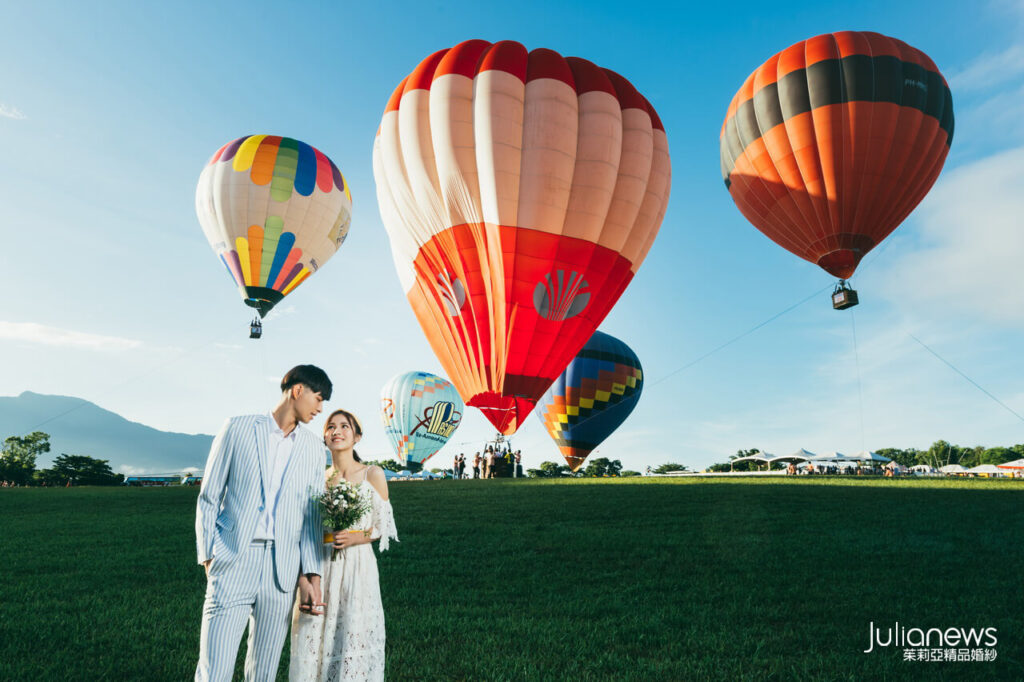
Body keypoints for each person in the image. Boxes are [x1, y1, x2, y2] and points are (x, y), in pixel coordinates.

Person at [194, 365, 330, 682]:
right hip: (232, 561)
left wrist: (312, 575)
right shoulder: (237, 429)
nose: (321, 408)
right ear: (298, 390)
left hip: (282, 570)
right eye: (318, 398)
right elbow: (209, 497)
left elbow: (313, 516)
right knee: (214, 671)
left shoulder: (313, 448)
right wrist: (208, 555)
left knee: (264, 673)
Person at [291, 409, 398, 682]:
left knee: (352, 632)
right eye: (330, 427)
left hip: (357, 567)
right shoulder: (318, 478)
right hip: (321, 564)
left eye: (344, 427)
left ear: (357, 436)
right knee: (316, 632)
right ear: (324, 437)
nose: (336, 431)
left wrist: (355, 537)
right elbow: (304, 530)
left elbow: (383, 526)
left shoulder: (372, 473)